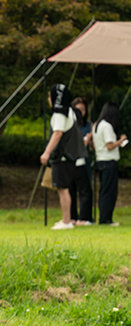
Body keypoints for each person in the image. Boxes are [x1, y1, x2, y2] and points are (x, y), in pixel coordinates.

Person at [39, 84, 86, 230]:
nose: (48, 99)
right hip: (70, 156)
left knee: (62, 188)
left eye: (50, 96)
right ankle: (67, 219)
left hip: (63, 156)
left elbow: (57, 133)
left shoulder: (59, 114)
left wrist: (47, 152)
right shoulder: (70, 112)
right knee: (64, 188)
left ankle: (66, 221)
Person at [92, 102, 127, 226]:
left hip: (100, 160)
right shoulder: (107, 126)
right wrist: (121, 140)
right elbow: (110, 145)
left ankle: (104, 217)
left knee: (104, 190)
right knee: (109, 192)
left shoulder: (97, 125)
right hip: (109, 161)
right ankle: (106, 219)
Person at [68, 96, 93, 225]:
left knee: (82, 189)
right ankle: (80, 218)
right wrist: (87, 139)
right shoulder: (71, 126)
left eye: (83, 110)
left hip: (83, 161)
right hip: (76, 162)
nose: (81, 113)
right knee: (81, 191)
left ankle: (79, 217)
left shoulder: (88, 125)